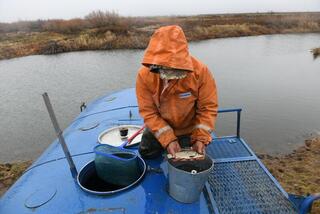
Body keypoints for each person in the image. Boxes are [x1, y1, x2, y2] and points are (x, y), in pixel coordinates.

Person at [136, 25, 218, 159]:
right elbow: (148, 112)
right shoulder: (144, 75)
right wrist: (168, 139)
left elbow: (207, 108)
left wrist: (201, 138)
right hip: (159, 127)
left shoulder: (201, 71)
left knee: (193, 158)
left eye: (176, 70)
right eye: (166, 69)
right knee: (146, 154)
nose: (171, 74)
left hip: (189, 129)